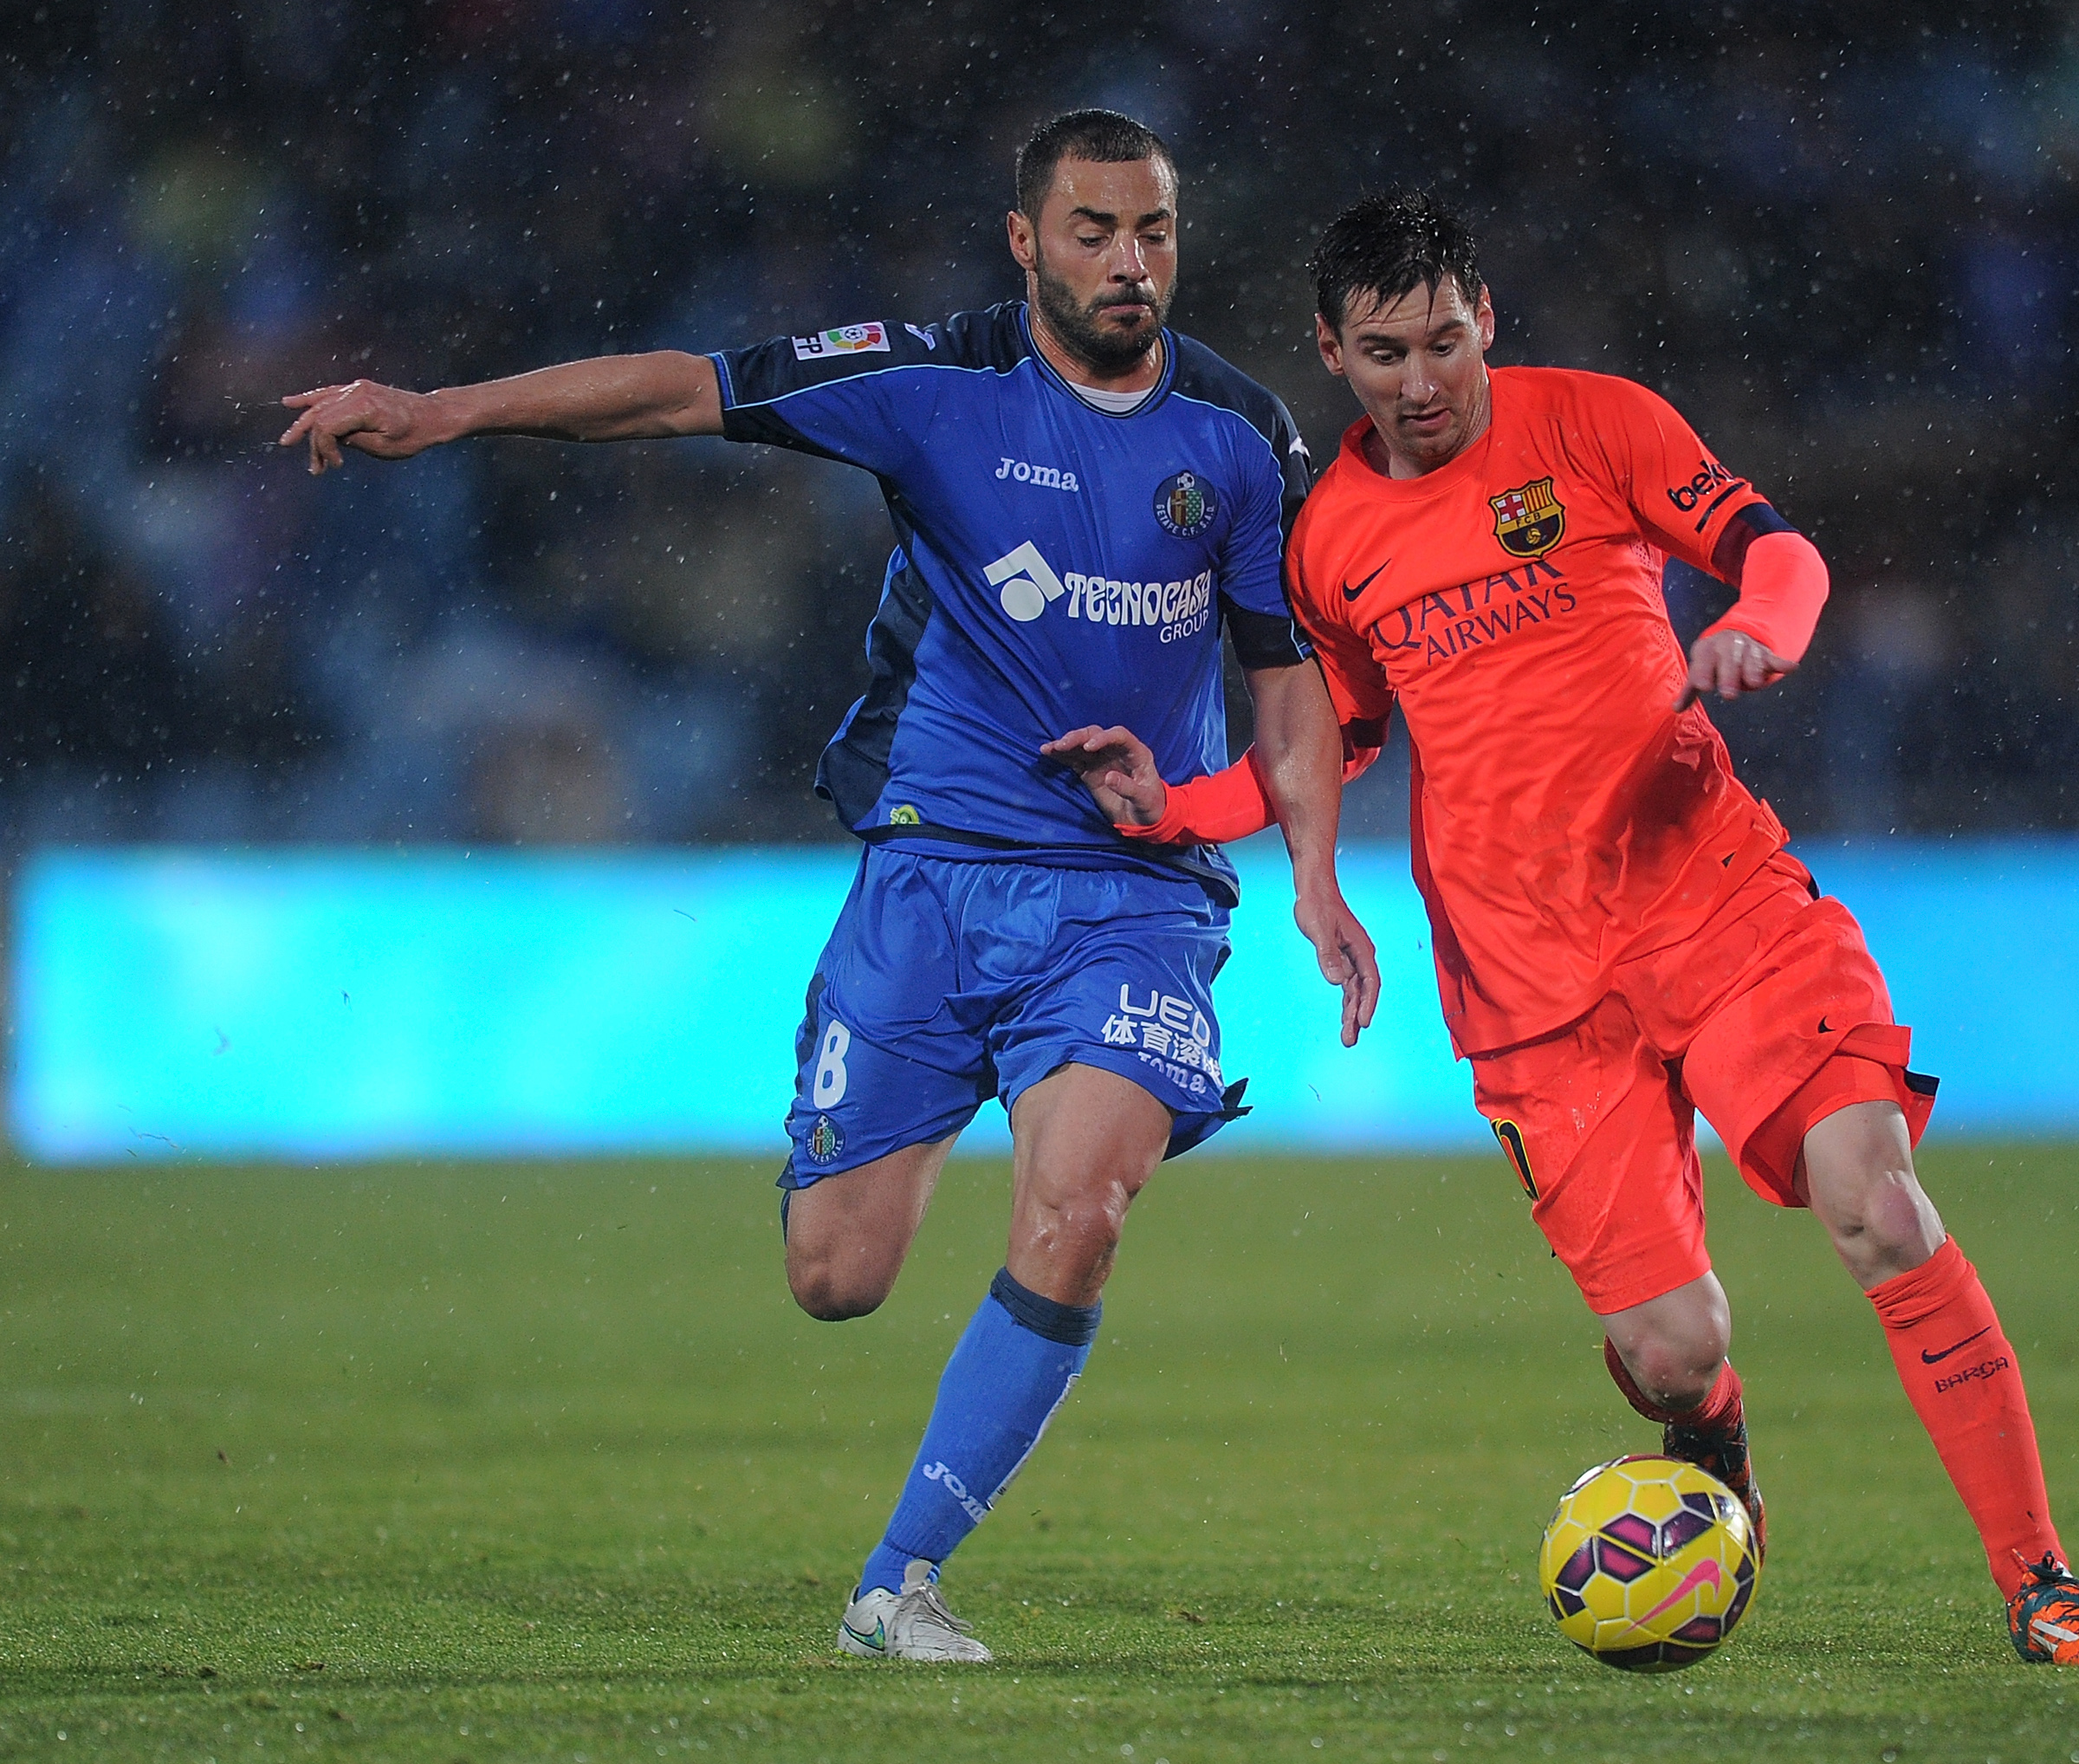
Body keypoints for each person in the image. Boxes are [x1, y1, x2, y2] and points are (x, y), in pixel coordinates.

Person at [276, 110, 1378, 1663]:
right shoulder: (927, 381)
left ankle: (899, 1583)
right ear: (1025, 241)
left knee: (1079, 1211)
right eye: (1092, 232)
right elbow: (685, 393)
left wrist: (1315, 876)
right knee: (836, 1276)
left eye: (1153, 232)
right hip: (928, 878)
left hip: (1135, 896)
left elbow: (1289, 690)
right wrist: (445, 412)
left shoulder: (1241, 434)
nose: (1130, 263)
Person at [1064, 192, 2079, 1667]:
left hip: (1719, 907)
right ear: (1332, 350)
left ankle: (2044, 1583)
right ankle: (1721, 1453)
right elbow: (1336, 743)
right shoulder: (1328, 544)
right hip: (1526, 992)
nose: (1424, 381)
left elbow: (1782, 550)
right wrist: (1175, 808)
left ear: (1487, 318)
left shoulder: (1597, 425)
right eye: (1386, 352)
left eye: (1448, 340)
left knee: (1880, 1208)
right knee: (1670, 1346)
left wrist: (1769, 627)